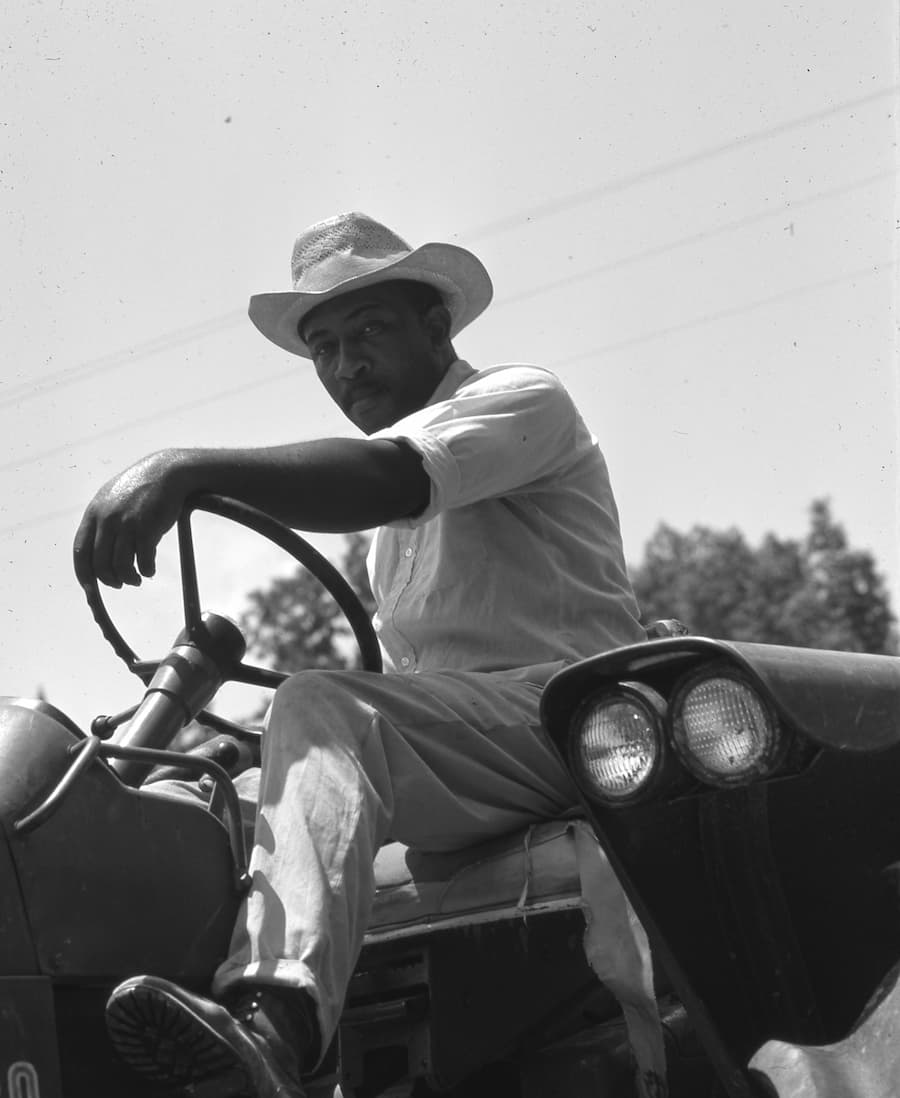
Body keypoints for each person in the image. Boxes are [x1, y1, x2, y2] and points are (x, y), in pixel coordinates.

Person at [74, 211, 646, 1098]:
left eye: (370, 331)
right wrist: (241, 754)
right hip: (477, 753)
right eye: (326, 349)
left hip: (579, 727)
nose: (346, 368)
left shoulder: (521, 400)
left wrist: (185, 468)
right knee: (194, 791)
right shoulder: (389, 533)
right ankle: (117, 1035)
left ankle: (274, 1025)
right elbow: (409, 695)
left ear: (436, 326)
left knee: (322, 701)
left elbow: (389, 477)